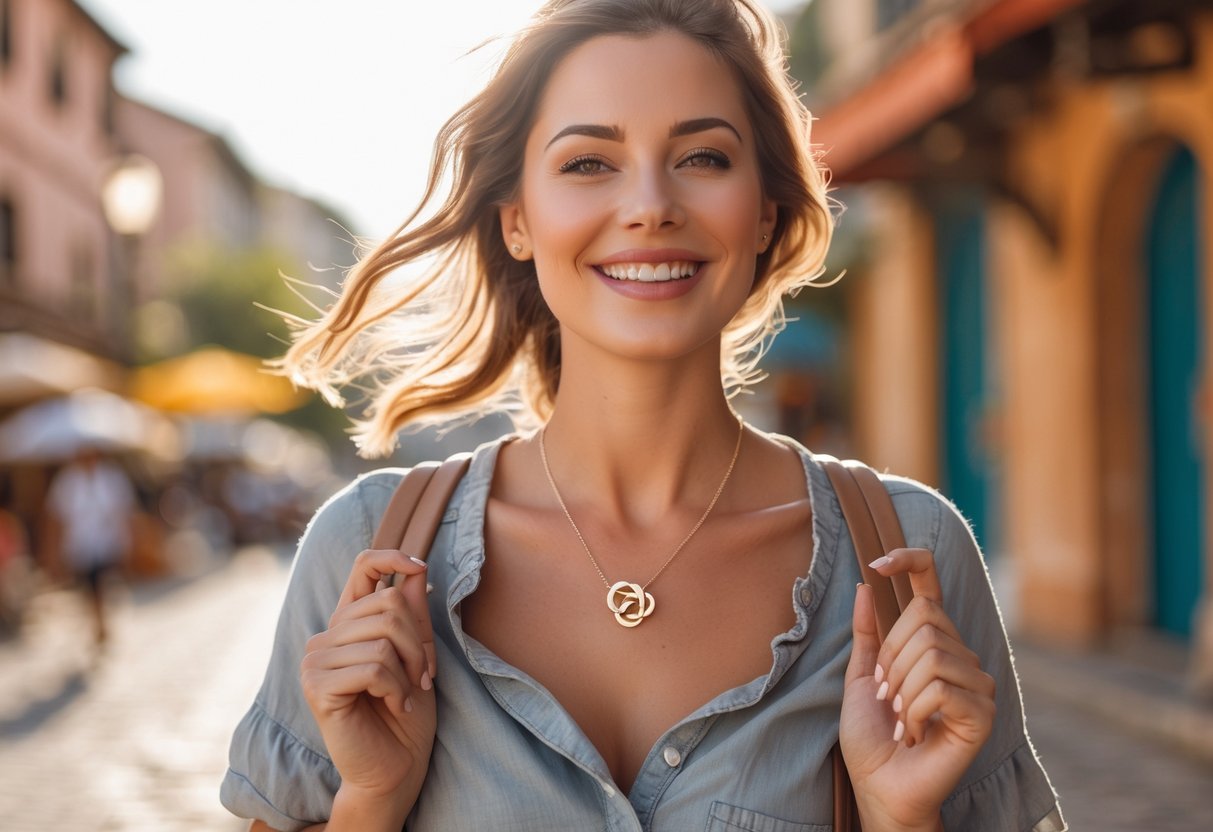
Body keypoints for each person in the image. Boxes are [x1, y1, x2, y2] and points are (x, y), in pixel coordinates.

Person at [222, 1, 1064, 830]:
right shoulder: (367, 554)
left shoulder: (905, 565)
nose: (651, 204)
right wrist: (369, 803)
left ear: (764, 211)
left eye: (702, 157)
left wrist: (902, 818)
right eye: (589, 163)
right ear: (517, 219)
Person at [45, 445, 136, 646]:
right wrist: (54, 553)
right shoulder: (66, 482)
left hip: (107, 542)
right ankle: (99, 624)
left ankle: (101, 623)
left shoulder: (111, 478)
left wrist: (128, 542)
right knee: (90, 584)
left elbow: (124, 512)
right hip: (79, 545)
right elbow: (56, 518)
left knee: (102, 583)